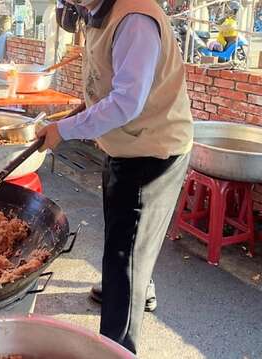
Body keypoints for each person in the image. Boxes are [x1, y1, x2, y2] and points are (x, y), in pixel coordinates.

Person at [38, 0, 193, 354]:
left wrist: (65, 130)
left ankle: (116, 348)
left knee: (125, 257)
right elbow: (110, 80)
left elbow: (126, 102)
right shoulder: (98, 11)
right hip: (126, 145)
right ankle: (139, 287)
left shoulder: (134, 18)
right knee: (123, 231)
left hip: (152, 150)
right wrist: (83, 109)